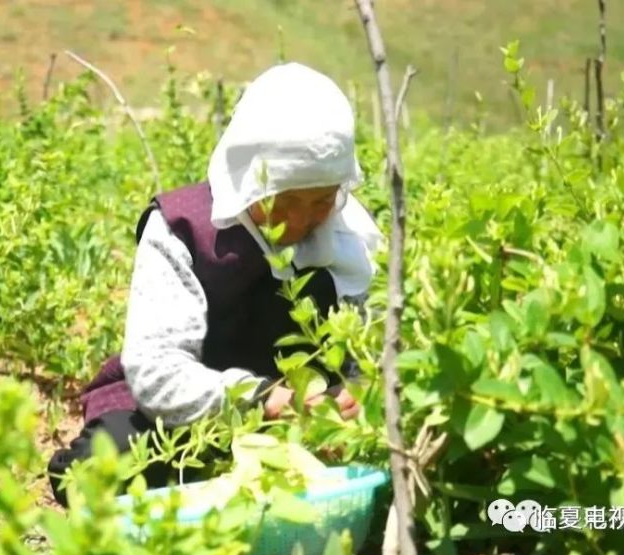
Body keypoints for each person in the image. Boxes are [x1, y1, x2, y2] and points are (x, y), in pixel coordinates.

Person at [47, 62, 384, 507]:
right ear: (250, 181)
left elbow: (369, 355)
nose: (301, 221)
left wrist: (352, 399)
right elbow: (157, 373)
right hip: (180, 417)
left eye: (321, 201)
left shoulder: (349, 236)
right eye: (284, 202)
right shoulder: (182, 228)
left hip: (304, 419)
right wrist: (262, 399)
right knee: (99, 472)